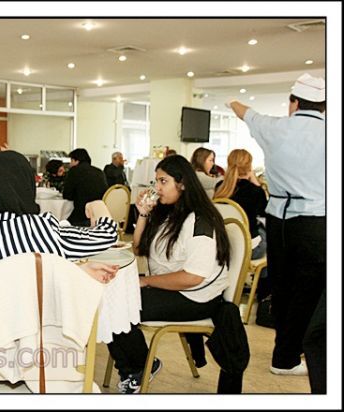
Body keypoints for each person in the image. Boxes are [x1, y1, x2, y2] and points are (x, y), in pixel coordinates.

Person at [226, 72, 325, 376]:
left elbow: (242, 110)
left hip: (278, 219)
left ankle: (283, 356)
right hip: (316, 219)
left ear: (293, 102)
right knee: (310, 291)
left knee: (282, 287)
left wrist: (232, 101)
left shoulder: (274, 127)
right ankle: (297, 354)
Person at [106, 155, 231, 393]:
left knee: (117, 304)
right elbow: (139, 248)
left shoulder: (200, 221)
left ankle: (139, 367)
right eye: (156, 181)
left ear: (182, 184)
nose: (157, 188)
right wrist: (143, 214)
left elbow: (193, 277)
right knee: (109, 299)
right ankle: (136, 367)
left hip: (196, 296)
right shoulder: (170, 212)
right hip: (172, 287)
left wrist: (146, 281)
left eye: (163, 181)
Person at [0, 150, 120, 288]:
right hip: (40, 319)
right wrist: (98, 205)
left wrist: (76, 270)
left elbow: (8, 284)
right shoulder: (40, 229)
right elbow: (107, 235)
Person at [214, 149, 269, 297]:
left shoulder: (220, 188)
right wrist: (256, 182)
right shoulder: (255, 192)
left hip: (223, 246)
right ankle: (263, 292)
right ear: (249, 167)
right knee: (268, 237)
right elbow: (266, 213)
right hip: (248, 249)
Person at [63, 148, 109, 226]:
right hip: (100, 214)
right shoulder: (99, 171)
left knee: (63, 222)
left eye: (71, 160)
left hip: (82, 215)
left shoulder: (73, 171)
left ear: (76, 161)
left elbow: (67, 195)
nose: (70, 164)